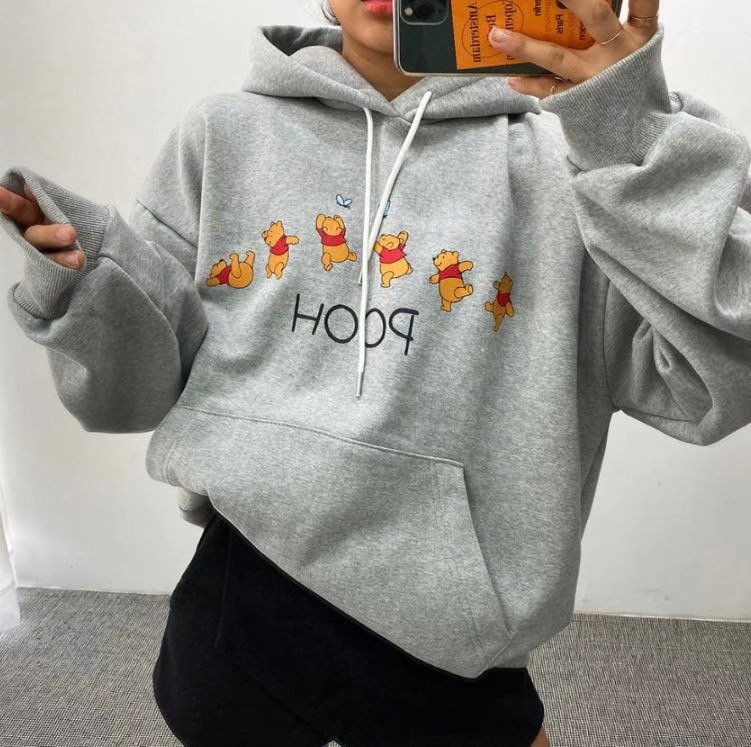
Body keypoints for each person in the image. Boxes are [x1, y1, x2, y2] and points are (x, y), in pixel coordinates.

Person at [1, 0, 750, 744]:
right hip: (242, 590)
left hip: (455, 631)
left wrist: (630, 134)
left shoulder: (572, 164)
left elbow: (712, 379)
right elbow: (138, 392)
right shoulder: (221, 132)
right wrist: (90, 288)